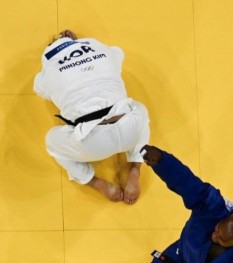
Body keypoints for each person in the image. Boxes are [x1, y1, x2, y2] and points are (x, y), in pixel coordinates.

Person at [33, 30, 150, 204]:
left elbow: (40, 90)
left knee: (51, 141)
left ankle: (96, 182)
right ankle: (136, 168)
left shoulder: (49, 70)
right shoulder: (100, 48)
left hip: (92, 142)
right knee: (140, 109)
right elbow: (118, 54)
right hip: (128, 127)